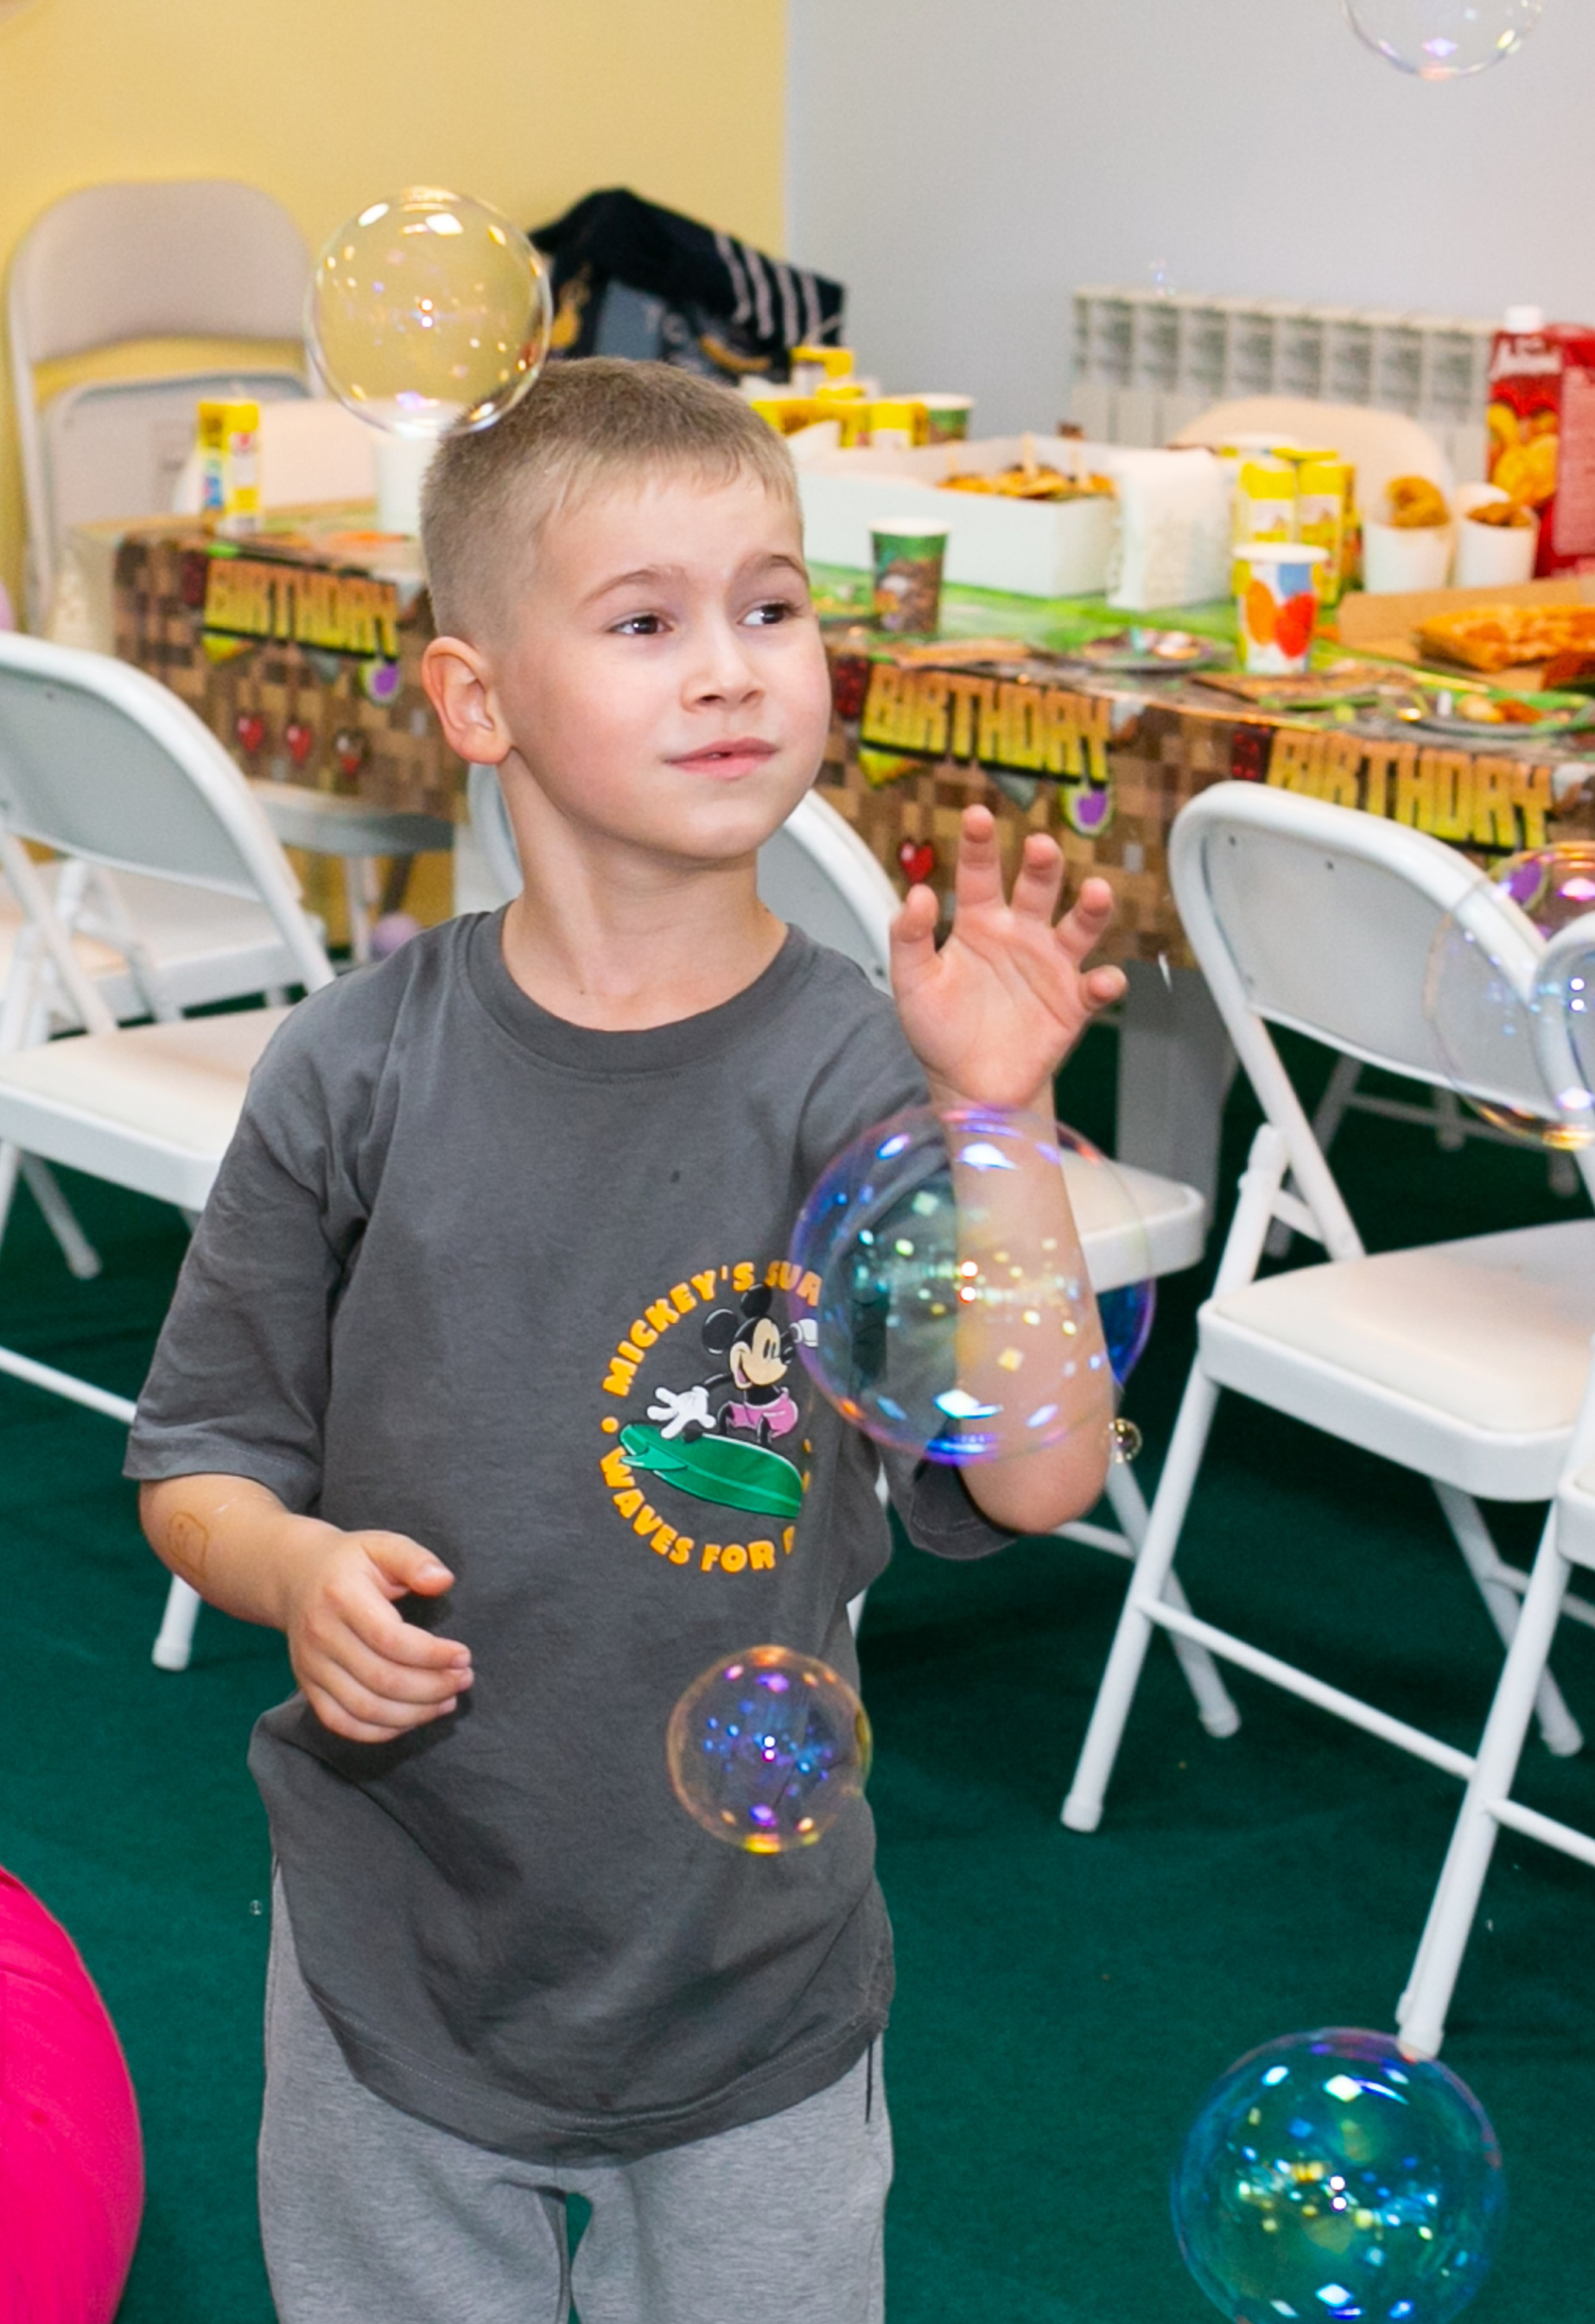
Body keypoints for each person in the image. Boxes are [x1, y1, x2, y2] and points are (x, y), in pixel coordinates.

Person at [130, 358, 1125, 2324]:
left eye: (773, 606)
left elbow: (1035, 1472)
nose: (735, 669)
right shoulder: (355, 1066)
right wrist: (293, 1562)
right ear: (476, 699)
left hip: (748, 1958)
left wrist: (995, 1119)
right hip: (396, 1929)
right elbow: (198, 1458)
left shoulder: (874, 1067)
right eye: (648, 622)